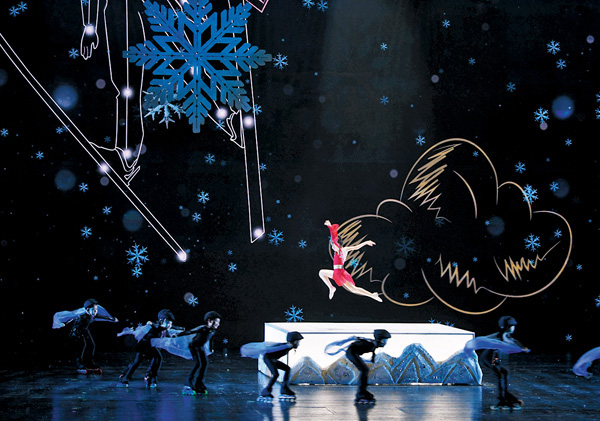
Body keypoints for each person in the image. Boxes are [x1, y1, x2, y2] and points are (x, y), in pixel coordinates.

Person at [318, 220, 382, 302]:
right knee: (321, 273)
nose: (332, 246)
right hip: (337, 272)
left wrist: (330, 227)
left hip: (339, 273)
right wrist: (366, 242)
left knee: (354, 289)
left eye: (333, 245)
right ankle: (331, 288)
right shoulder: (340, 250)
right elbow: (355, 247)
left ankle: (372, 295)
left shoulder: (340, 250)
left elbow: (335, 239)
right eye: (332, 245)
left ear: (338, 244)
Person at [52, 298, 118, 373]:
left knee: (91, 345)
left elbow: (102, 316)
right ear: (87, 309)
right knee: (82, 346)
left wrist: (112, 319)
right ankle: (79, 364)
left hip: (84, 330)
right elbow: (72, 318)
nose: (95, 312)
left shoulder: (93, 315)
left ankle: (89, 362)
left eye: (96, 310)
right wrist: (64, 323)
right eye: (94, 310)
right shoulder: (81, 315)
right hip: (76, 331)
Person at [326, 329, 390, 403]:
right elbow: (353, 346)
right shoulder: (370, 345)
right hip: (351, 353)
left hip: (352, 353)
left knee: (365, 370)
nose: (385, 343)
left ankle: (362, 392)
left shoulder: (372, 344)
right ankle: (360, 394)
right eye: (385, 340)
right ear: (380, 340)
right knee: (364, 370)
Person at [479, 316, 530, 411]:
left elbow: (513, 342)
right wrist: (496, 363)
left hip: (496, 361)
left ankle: (510, 401)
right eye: (512, 326)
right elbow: (496, 350)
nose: (514, 328)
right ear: (508, 327)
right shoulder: (502, 336)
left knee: (503, 378)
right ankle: (505, 401)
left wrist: (522, 348)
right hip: (492, 360)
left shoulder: (505, 335)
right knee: (502, 378)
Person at [117, 309, 176, 388]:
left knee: (155, 359)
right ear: (163, 320)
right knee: (138, 362)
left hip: (150, 347)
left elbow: (169, 334)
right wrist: (152, 324)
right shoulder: (156, 327)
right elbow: (153, 325)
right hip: (144, 346)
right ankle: (125, 378)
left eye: (171, 324)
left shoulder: (164, 329)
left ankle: (150, 377)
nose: (169, 325)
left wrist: (173, 336)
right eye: (168, 323)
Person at [241, 331, 304, 401]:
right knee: (276, 374)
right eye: (298, 342)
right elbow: (270, 350)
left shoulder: (287, 346)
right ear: (295, 341)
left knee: (287, 369)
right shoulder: (286, 346)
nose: (299, 344)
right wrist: (284, 347)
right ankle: (266, 391)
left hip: (272, 359)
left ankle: (284, 389)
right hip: (268, 359)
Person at [176, 311, 222, 395]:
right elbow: (190, 332)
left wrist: (211, 348)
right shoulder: (203, 328)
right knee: (198, 364)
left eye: (219, 322)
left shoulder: (213, 331)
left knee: (205, 364)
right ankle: (188, 384)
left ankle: (199, 384)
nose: (218, 324)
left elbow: (211, 340)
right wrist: (178, 335)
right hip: (194, 346)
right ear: (209, 320)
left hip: (200, 347)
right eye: (216, 322)